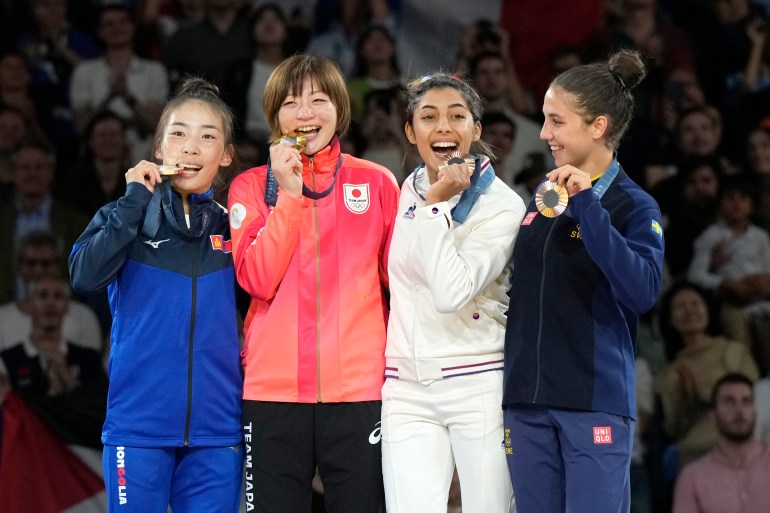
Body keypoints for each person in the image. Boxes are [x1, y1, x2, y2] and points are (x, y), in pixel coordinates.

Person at [227, 53, 400, 513]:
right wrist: (288, 195)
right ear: (274, 115)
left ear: (339, 109)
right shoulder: (250, 187)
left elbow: (401, 289)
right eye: (291, 102)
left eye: (318, 100)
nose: (305, 114)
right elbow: (257, 280)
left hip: (360, 391)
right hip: (272, 392)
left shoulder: (378, 183)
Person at [68, 76, 243, 513]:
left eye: (208, 137)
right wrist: (132, 202)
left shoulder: (237, 227)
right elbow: (84, 276)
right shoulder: (124, 216)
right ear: (159, 149)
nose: (191, 147)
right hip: (138, 427)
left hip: (217, 431)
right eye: (178, 134)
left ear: (225, 156)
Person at [502, 48, 666, 513]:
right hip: (526, 402)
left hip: (592, 402)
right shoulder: (542, 197)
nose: (543, 133)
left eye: (556, 121)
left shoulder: (634, 207)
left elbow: (642, 291)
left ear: (597, 126)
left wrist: (589, 205)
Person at [380, 72, 525, 513]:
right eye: (428, 117)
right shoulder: (408, 190)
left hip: (477, 381)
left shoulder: (502, 205)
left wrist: (436, 207)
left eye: (456, 115)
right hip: (405, 388)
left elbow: (450, 292)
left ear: (475, 130)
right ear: (410, 131)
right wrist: (431, 202)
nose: (442, 127)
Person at [657, 281, 760, 470]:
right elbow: (674, 429)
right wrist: (685, 400)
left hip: (744, 442)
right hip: (697, 452)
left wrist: (707, 395)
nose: (690, 311)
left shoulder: (733, 351)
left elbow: (756, 401)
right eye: (680, 306)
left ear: (707, 310)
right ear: (670, 320)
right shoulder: (671, 372)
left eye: (696, 303)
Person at [671, 372, 770, 513]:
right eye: (729, 402)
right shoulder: (692, 477)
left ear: (755, 411)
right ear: (713, 415)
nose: (739, 410)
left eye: (746, 401)